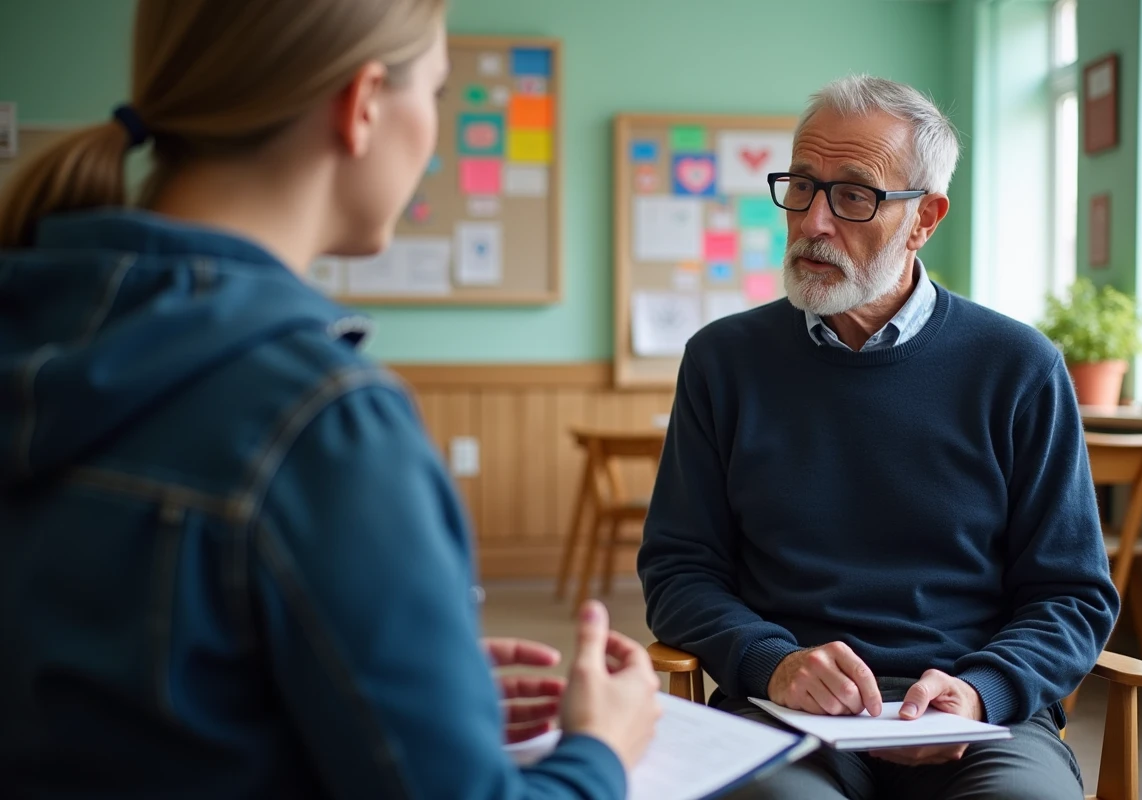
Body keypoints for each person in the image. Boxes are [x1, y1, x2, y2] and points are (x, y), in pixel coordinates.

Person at [0, 1, 659, 797]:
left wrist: (402, 692)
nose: (436, 127)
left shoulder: (33, 328)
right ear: (364, 104)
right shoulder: (325, 424)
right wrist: (602, 749)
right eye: (439, 93)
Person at [639, 75, 1120, 800]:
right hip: (784, 713)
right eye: (801, 186)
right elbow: (678, 571)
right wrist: (771, 661)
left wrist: (984, 690)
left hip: (981, 723)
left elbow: (1073, 594)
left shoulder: (1019, 368)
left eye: (854, 195)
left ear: (925, 218)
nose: (813, 222)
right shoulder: (724, 361)